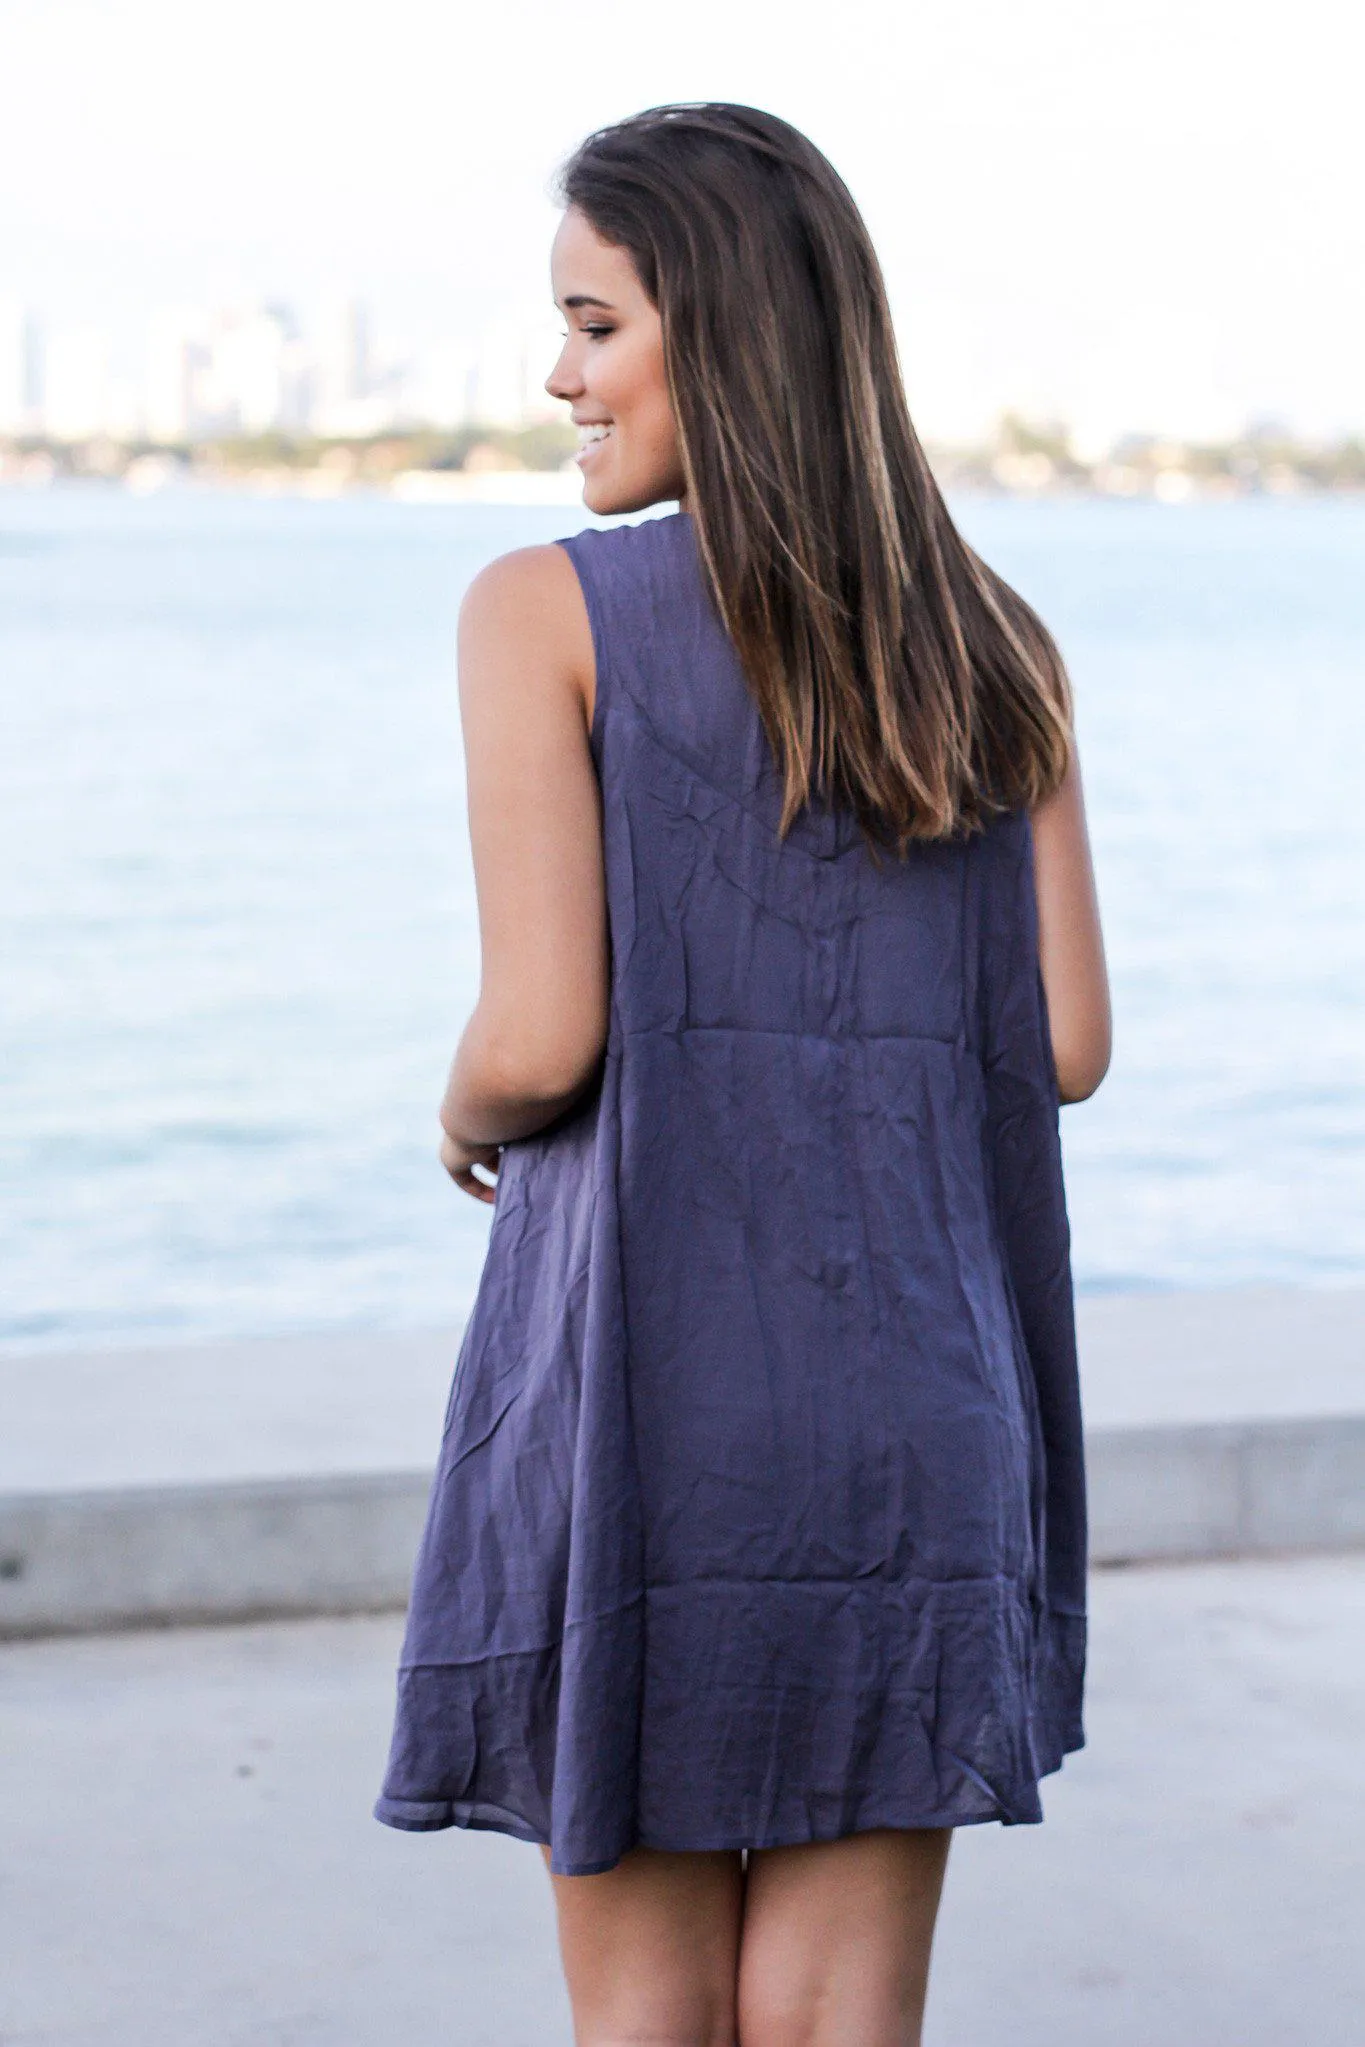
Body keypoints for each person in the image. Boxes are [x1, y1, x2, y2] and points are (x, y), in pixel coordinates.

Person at [374, 102, 1111, 2047]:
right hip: (914, 1421)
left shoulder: (545, 612)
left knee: (649, 2024)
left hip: (655, 1408)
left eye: (593, 321)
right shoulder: (999, 647)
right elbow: (1063, 1046)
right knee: (839, 2025)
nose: (558, 372)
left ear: (715, 327)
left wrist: (460, 1108)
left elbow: (542, 1035)